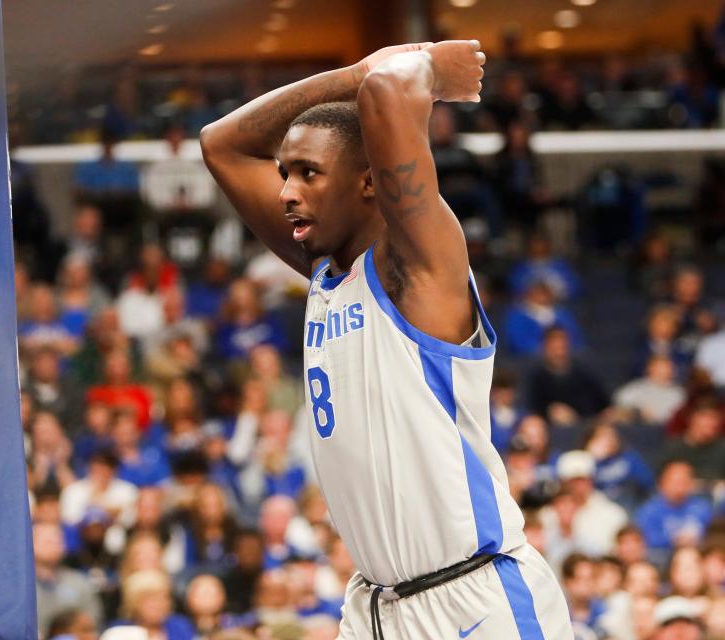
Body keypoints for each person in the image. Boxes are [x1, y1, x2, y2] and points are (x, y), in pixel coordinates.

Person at [201, 38, 569, 639]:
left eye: (309, 174)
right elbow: (222, 143)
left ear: (370, 185)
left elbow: (388, 92)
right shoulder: (323, 274)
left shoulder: (417, 269)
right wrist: (353, 72)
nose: (288, 191)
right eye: (285, 173)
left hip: (471, 598)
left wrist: (421, 65)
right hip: (375, 604)